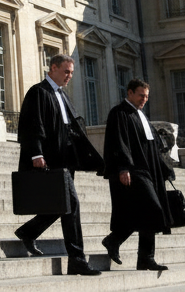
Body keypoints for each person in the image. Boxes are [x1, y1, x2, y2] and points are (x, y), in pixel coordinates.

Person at [14, 54, 101, 276]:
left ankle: (28, 231)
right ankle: (77, 260)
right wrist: (36, 153)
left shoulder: (63, 96)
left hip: (66, 157)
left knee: (62, 204)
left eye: (71, 73)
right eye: (66, 71)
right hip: (48, 157)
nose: (69, 76)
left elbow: (72, 126)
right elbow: (32, 125)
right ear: (53, 68)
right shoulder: (38, 92)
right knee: (71, 205)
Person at [102, 79, 171, 272]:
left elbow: (152, 145)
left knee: (147, 213)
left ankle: (145, 258)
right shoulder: (119, 113)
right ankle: (114, 240)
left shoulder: (141, 115)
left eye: (147, 96)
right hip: (134, 170)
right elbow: (119, 142)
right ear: (130, 93)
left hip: (150, 171)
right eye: (141, 95)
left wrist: (164, 169)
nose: (144, 99)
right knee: (152, 209)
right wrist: (123, 167)